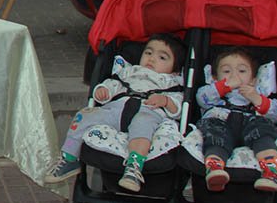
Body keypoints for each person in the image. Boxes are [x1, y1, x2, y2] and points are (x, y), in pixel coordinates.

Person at [45, 34, 186, 193]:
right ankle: (69, 156)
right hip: (116, 110)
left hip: (147, 112)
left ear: (175, 70)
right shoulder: (128, 72)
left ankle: (133, 167)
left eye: (162, 57)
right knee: (84, 116)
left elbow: (179, 106)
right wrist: (103, 90)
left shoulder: (171, 82)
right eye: (148, 53)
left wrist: (166, 101)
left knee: (143, 126)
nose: (152, 59)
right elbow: (113, 84)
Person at [196, 47, 277, 192]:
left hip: (251, 125)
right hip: (221, 123)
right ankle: (215, 168)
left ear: (254, 80)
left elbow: (275, 114)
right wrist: (223, 87)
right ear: (216, 78)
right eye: (226, 71)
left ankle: (270, 172)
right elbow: (202, 99)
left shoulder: (258, 93)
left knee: (264, 132)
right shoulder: (214, 93)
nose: (234, 75)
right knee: (215, 136)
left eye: (242, 71)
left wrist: (257, 99)